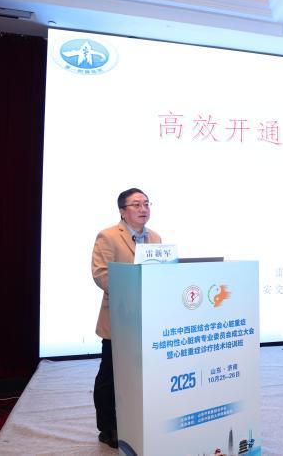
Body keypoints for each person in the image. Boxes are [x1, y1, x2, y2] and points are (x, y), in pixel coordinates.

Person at [91, 188, 161, 448]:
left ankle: (137, 420)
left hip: (149, 319)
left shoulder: (155, 238)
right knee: (110, 374)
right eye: (136, 204)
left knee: (142, 373)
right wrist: (131, 292)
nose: (143, 209)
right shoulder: (108, 236)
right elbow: (101, 274)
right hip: (120, 318)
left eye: (146, 204)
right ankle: (107, 427)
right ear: (122, 211)